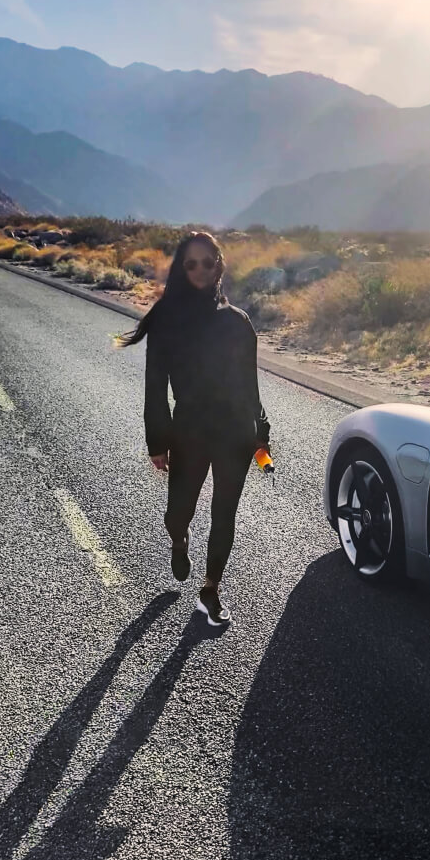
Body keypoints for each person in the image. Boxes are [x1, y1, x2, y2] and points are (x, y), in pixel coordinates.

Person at [116, 231, 271, 625]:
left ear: (219, 263)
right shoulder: (168, 320)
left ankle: (211, 589)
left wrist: (260, 430)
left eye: (207, 261)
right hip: (189, 431)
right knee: (177, 512)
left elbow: (249, 384)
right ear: (182, 270)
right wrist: (157, 441)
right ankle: (179, 538)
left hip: (234, 431)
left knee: (224, 513)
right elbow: (155, 388)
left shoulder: (238, 323)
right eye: (191, 264)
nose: (200, 270)